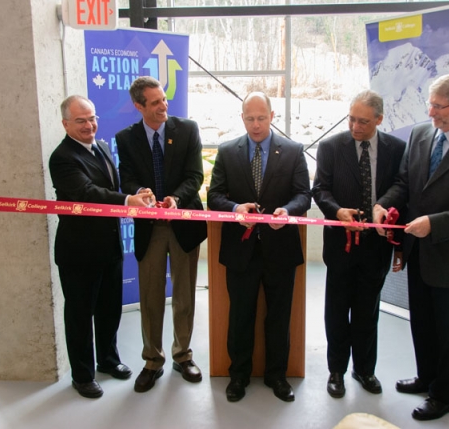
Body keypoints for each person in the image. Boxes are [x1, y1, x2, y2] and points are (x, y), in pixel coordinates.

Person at [372, 74, 449, 421]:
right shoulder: (420, 135)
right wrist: (383, 204)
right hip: (416, 251)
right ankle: (426, 377)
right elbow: (404, 183)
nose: (431, 113)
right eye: (430, 104)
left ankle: (444, 396)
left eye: (439, 107)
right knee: (422, 322)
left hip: (448, 254)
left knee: (447, 329)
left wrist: (434, 224)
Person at [207, 92, 311, 403]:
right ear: (242, 117)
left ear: (272, 115)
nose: (256, 124)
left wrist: (288, 212)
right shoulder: (227, 152)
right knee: (240, 315)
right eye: (250, 118)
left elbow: (303, 195)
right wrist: (236, 208)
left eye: (261, 118)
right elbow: (214, 196)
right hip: (241, 251)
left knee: (279, 316)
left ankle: (277, 376)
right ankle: (238, 376)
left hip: (280, 248)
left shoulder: (292, 151)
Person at [49, 95, 152, 398]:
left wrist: (135, 194)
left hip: (110, 247)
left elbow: (112, 188)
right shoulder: (63, 157)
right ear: (66, 123)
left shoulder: (103, 147)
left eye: (92, 118)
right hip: (79, 252)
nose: (89, 125)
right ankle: (82, 375)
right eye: (80, 120)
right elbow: (87, 192)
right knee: (80, 314)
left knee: (109, 309)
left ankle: (108, 360)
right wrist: (125, 201)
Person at [311, 90, 406, 399]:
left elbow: (401, 185)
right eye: (351, 119)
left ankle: (365, 369)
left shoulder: (396, 148)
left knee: (367, 311)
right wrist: (337, 211)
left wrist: (382, 205)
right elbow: (320, 188)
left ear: (379, 119)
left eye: (363, 121)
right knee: (337, 310)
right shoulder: (330, 147)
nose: (355, 127)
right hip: (341, 244)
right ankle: (336, 370)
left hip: (376, 246)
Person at [116, 76, 207, 393]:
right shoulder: (125, 139)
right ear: (138, 106)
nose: (163, 106)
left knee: (184, 296)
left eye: (164, 99)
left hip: (182, 224)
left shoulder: (188, 130)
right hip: (149, 229)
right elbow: (124, 179)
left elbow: (195, 175)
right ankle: (152, 361)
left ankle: (183, 356)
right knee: (151, 298)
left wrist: (175, 199)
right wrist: (138, 191)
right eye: (154, 103)